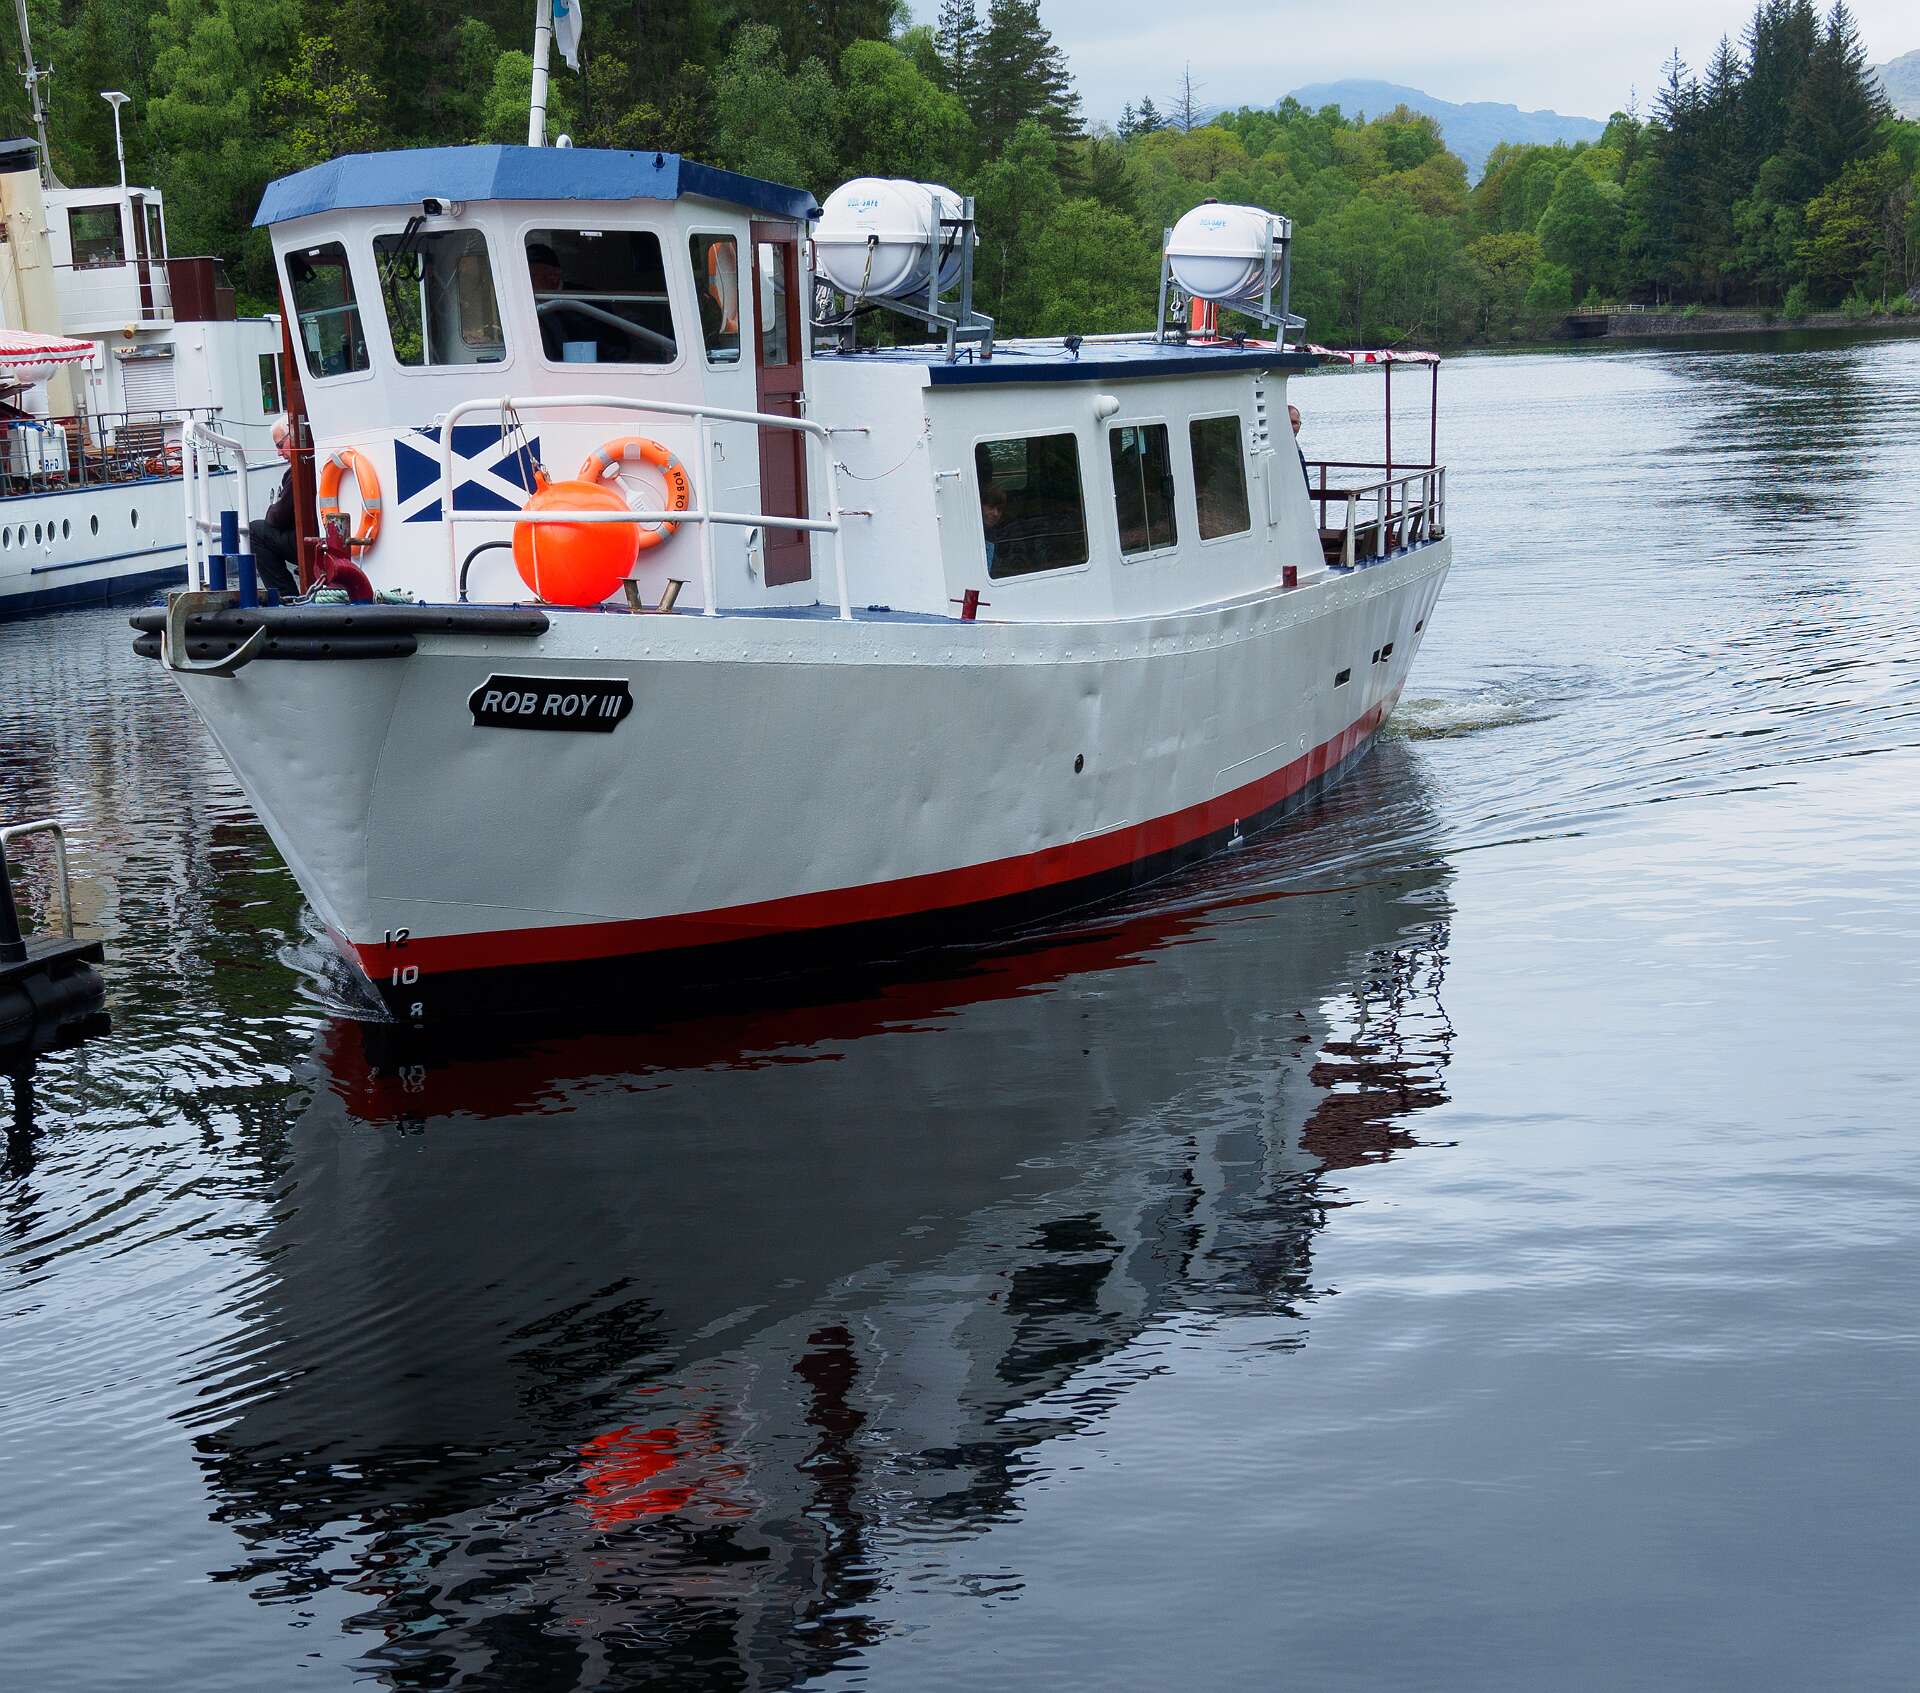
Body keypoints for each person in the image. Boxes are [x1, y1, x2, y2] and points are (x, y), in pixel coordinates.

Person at [248, 417, 300, 598]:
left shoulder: (298, 472)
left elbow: (279, 517)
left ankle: (286, 595)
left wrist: (271, 508)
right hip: (319, 541)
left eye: (280, 445)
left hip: (307, 543)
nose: (279, 453)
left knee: (255, 530)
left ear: (293, 436)